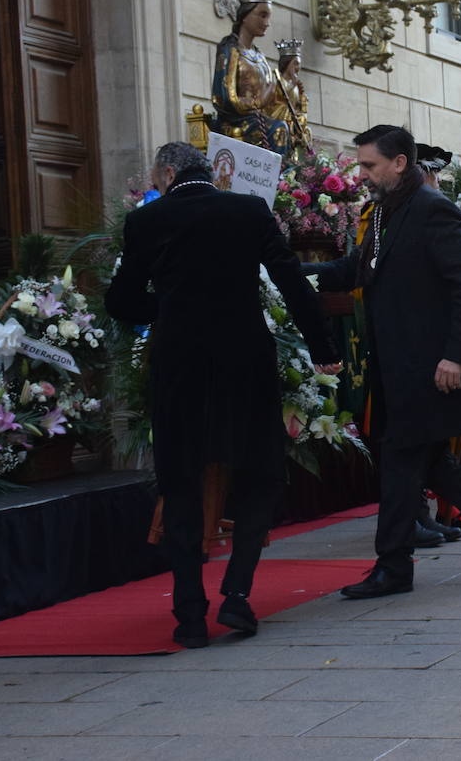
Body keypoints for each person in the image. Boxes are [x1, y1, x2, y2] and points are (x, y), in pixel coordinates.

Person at [105, 142, 343, 648]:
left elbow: (121, 300)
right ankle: (237, 594)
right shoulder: (247, 209)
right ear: (210, 172)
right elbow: (292, 281)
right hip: (245, 359)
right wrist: (322, 347)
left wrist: (168, 307)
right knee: (259, 471)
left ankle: (189, 614)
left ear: (167, 174)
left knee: (183, 480)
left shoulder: (148, 221)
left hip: (179, 364)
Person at [307, 126, 461, 598]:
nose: (362, 174)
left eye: (369, 165)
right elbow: (358, 270)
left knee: (400, 461)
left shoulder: (433, 210)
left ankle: (393, 567)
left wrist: (455, 355)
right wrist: (291, 274)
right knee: (428, 461)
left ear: (400, 163)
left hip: (431, 366)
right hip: (397, 365)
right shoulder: (384, 213)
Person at [211, 0, 293, 157]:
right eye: (262, 15)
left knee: (290, 126)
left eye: (268, 16)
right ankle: (278, 182)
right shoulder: (230, 50)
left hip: (260, 120)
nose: (267, 22)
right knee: (280, 129)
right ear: (245, 15)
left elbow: (270, 98)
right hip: (236, 123)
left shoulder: (259, 56)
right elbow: (222, 97)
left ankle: (289, 181)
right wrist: (258, 102)